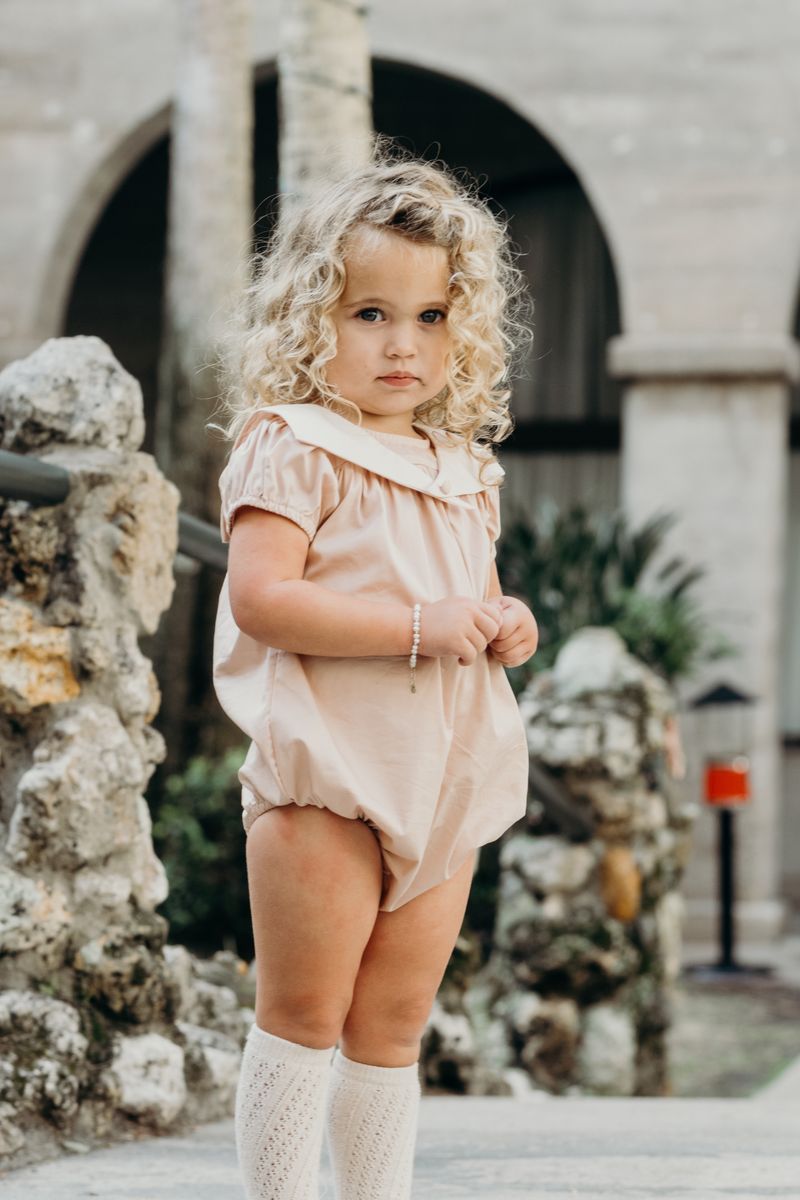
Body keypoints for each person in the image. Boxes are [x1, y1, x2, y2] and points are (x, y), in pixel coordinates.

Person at [209, 137, 539, 1200]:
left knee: (393, 1027)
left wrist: (506, 624)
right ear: (314, 318)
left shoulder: (462, 470)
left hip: (441, 784)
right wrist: (416, 626)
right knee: (304, 1014)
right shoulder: (293, 444)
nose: (403, 344)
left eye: (431, 316)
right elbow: (263, 599)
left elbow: (469, 598)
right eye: (370, 314)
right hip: (329, 776)